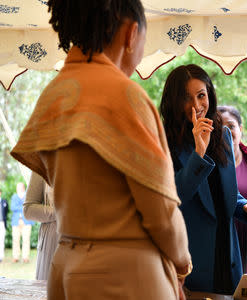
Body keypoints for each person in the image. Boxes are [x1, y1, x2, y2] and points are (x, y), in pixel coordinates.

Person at [11, 1, 191, 299]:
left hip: (66, 265)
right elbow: (161, 213)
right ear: (132, 34)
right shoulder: (126, 96)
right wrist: (182, 265)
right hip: (125, 275)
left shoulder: (54, 94)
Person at [160, 64, 247, 294]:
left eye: (201, 96)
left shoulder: (223, 135)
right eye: (187, 98)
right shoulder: (163, 140)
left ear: (210, 94)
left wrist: (244, 205)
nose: (197, 106)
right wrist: (198, 152)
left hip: (228, 255)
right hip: (190, 260)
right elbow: (174, 196)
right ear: (174, 101)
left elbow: (226, 193)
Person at [218, 105, 247, 273]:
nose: (226, 132)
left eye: (230, 126)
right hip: (225, 249)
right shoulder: (210, 166)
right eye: (220, 128)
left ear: (240, 129)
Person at [23, 172, 58, 280]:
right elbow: (28, 210)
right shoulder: (43, 162)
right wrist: (61, 212)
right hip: (52, 242)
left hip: (89, 243)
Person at [11, 182, 34, 263]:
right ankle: (16, 256)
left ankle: (25, 257)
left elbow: (28, 207)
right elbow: (12, 207)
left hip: (26, 221)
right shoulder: (14, 196)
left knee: (26, 239)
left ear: (23, 188)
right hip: (16, 221)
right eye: (17, 187)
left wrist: (21, 207)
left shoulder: (27, 196)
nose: (18, 189)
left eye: (20, 187)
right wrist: (22, 207)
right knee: (15, 239)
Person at [0, 189, 8, 263]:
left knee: (1, 240)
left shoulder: (4, 201)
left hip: (2, 223)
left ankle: (1, 257)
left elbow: (6, 212)